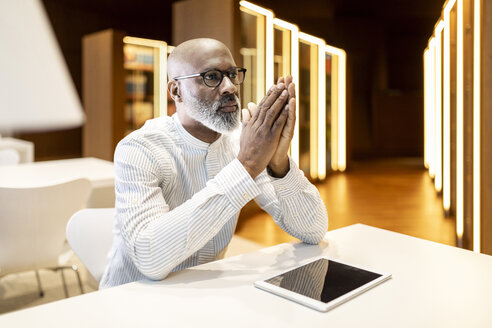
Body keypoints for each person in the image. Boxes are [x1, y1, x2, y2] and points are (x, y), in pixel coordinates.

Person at [99, 38, 328, 289]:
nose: (229, 87)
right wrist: (247, 166)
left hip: (205, 294)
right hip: (132, 302)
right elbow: (149, 258)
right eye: (211, 77)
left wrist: (279, 163)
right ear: (176, 91)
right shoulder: (139, 148)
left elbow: (313, 230)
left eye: (232, 74)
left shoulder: (241, 141)